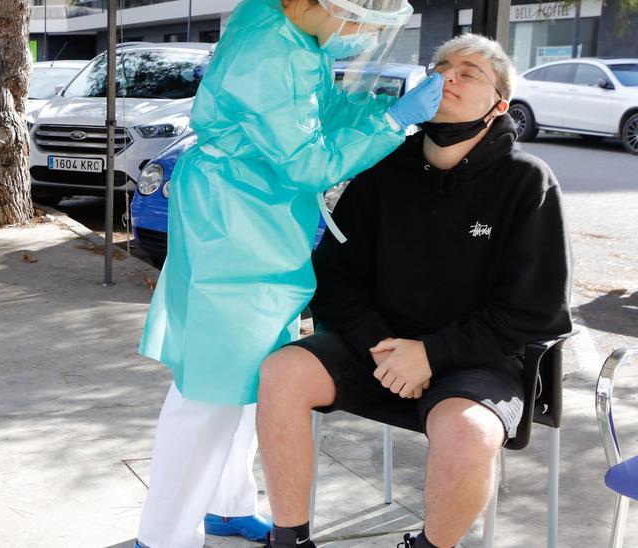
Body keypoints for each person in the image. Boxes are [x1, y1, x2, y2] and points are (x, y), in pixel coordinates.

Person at [130, 0, 445, 545]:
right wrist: (393, 121)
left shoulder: (290, 30)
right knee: (209, 387)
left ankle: (227, 505)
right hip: (235, 225)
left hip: (254, 219)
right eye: (368, 20)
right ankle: (162, 535)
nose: (367, 33)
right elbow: (310, 160)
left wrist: (378, 110)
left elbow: (318, 111)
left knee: (249, 375)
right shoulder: (272, 50)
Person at [256, 34, 572, 548]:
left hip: (475, 361)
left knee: (469, 433)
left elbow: (535, 311)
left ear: (500, 104)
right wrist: (380, 345)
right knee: (281, 371)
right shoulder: (383, 167)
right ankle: (289, 538)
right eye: (440, 66)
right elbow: (334, 274)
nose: (449, 75)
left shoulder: (528, 182)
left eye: (469, 71)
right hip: (377, 348)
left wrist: (431, 354)